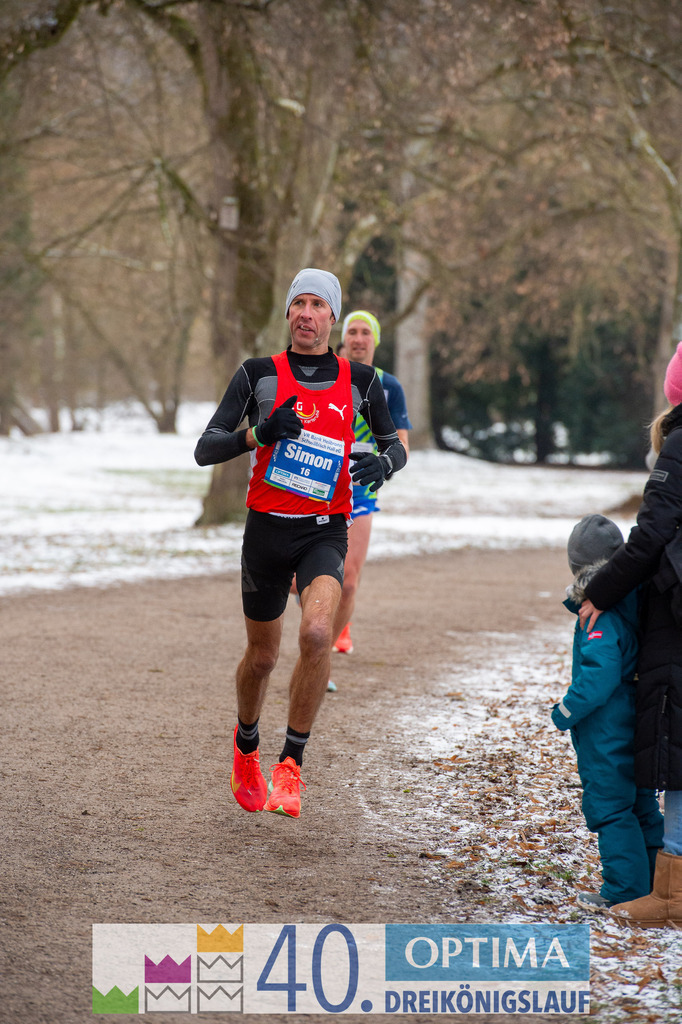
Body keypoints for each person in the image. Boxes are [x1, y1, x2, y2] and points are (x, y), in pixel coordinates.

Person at [194, 269, 407, 819]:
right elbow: (206, 448)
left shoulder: (361, 381)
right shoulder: (258, 374)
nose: (307, 313)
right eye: (299, 304)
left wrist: (383, 463)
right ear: (288, 314)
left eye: (318, 305)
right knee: (262, 658)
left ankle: (291, 765)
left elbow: (395, 446)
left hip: (323, 529)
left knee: (316, 632)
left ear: (333, 318)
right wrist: (258, 434)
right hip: (265, 532)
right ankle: (246, 747)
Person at [579, 341, 682, 927]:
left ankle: (669, 890)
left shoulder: (679, 444)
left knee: (674, 748)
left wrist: (602, 591)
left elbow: (650, 535)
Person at [551, 514, 663, 912]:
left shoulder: (599, 614)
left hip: (607, 729)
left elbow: (598, 677)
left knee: (610, 808)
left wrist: (565, 711)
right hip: (636, 718)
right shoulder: (636, 602)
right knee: (642, 805)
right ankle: (655, 883)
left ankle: (624, 889)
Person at [330, 310, 412, 664]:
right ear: (344, 337)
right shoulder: (324, 373)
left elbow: (402, 444)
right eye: (353, 331)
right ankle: (318, 599)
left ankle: (320, 655)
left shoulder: (388, 385)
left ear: (375, 340)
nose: (359, 339)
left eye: (366, 332)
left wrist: (384, 463)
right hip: (316, 479)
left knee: (348, 581)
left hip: (361, 485)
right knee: (299, 575)